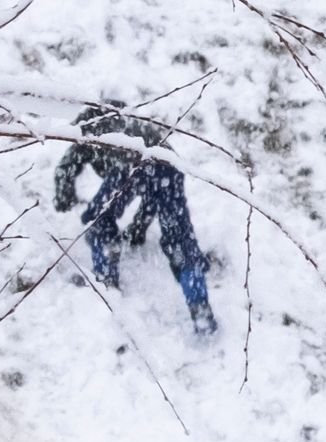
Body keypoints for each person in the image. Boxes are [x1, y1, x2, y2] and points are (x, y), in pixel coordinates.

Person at [52, 105, 214, 336]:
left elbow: (64, 169)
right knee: (179, 239)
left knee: (99, 219)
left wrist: (64, 199)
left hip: (129, 164)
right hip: (168, 163)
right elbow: (153, 193)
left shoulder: (89, 134)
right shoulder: (129, 123)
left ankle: (106, 279)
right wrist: (138, 228)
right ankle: (199, 306)